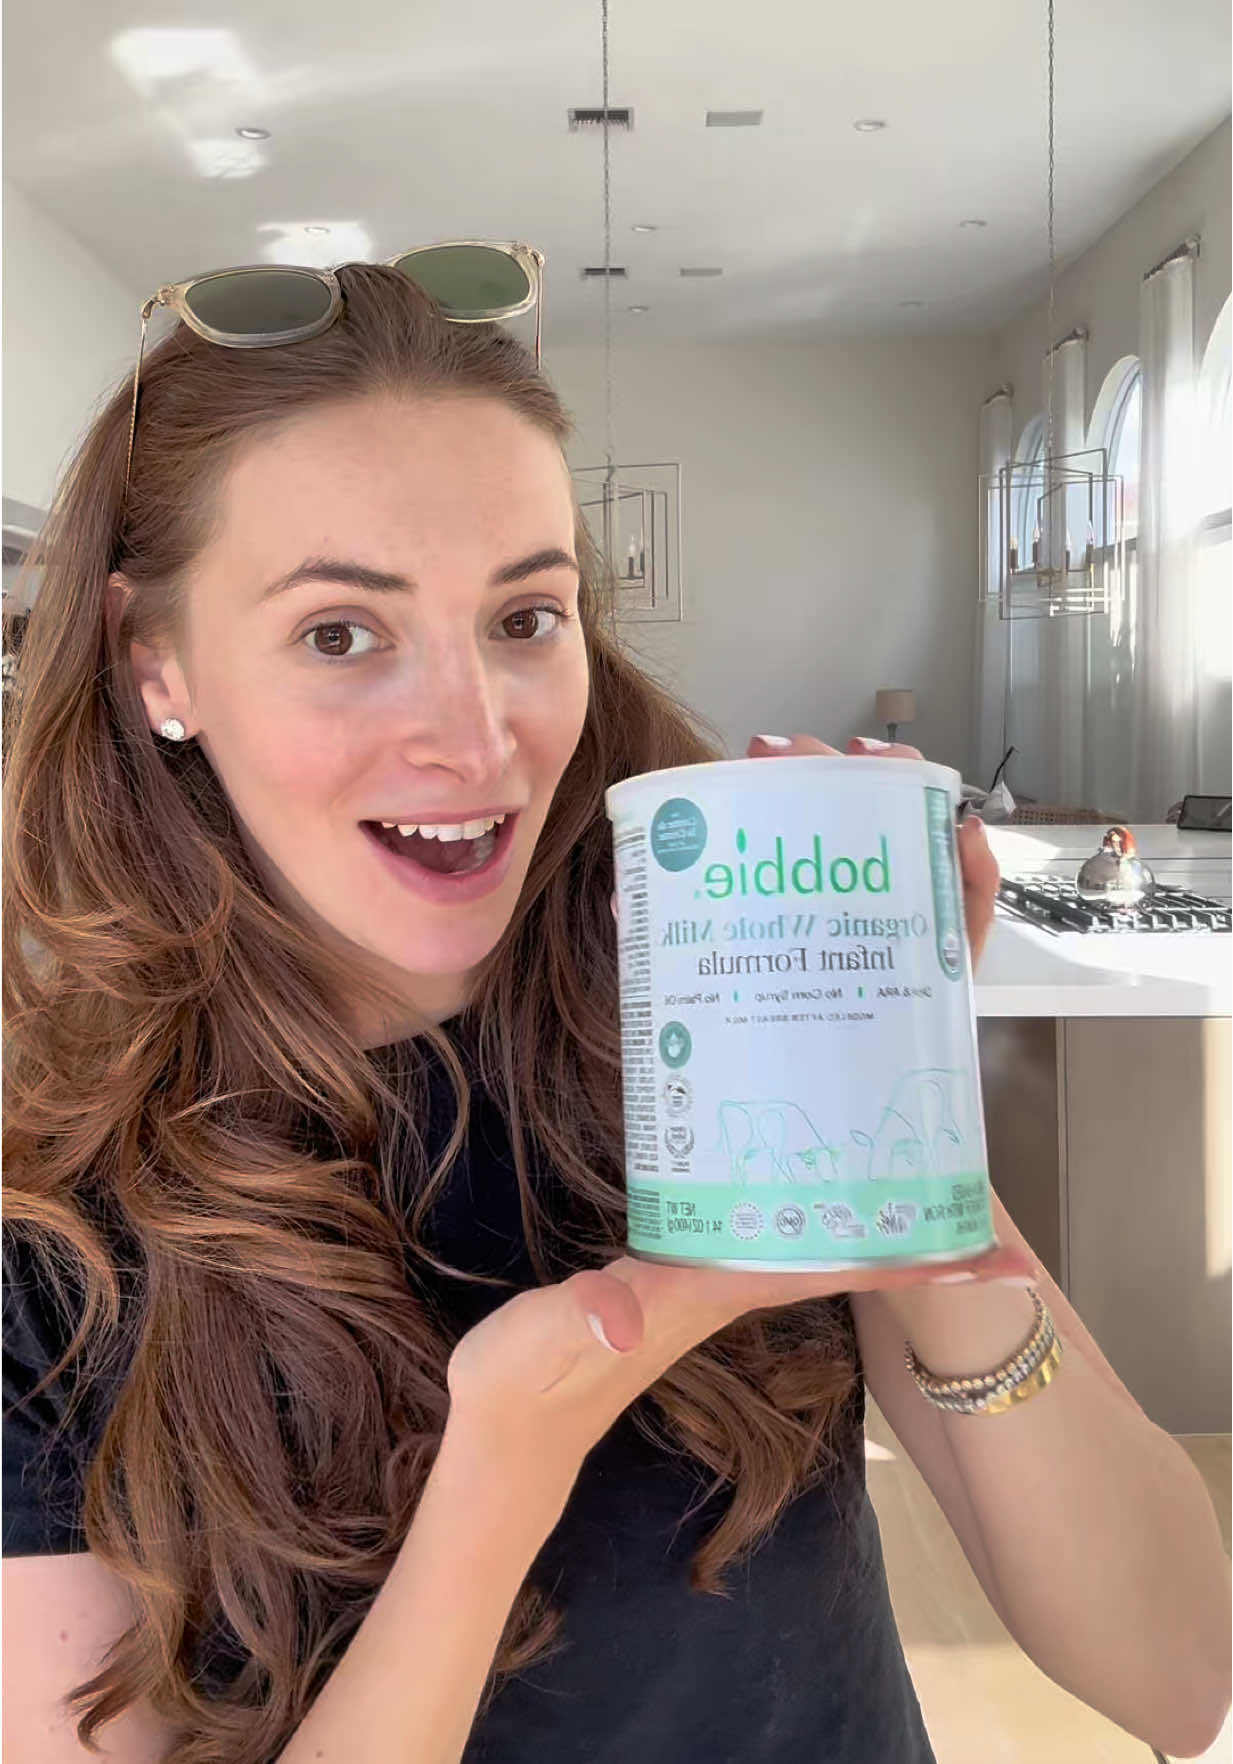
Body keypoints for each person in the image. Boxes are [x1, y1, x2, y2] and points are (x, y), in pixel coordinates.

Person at [3, 258, 1228, 1764]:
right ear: (157, 663)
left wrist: (898, 1124)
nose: (476, 738)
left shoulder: (706, 1034)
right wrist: (497, 1483)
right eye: (341, 635)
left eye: (525, 616)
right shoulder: (52, 1247)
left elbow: (1179, 1678)